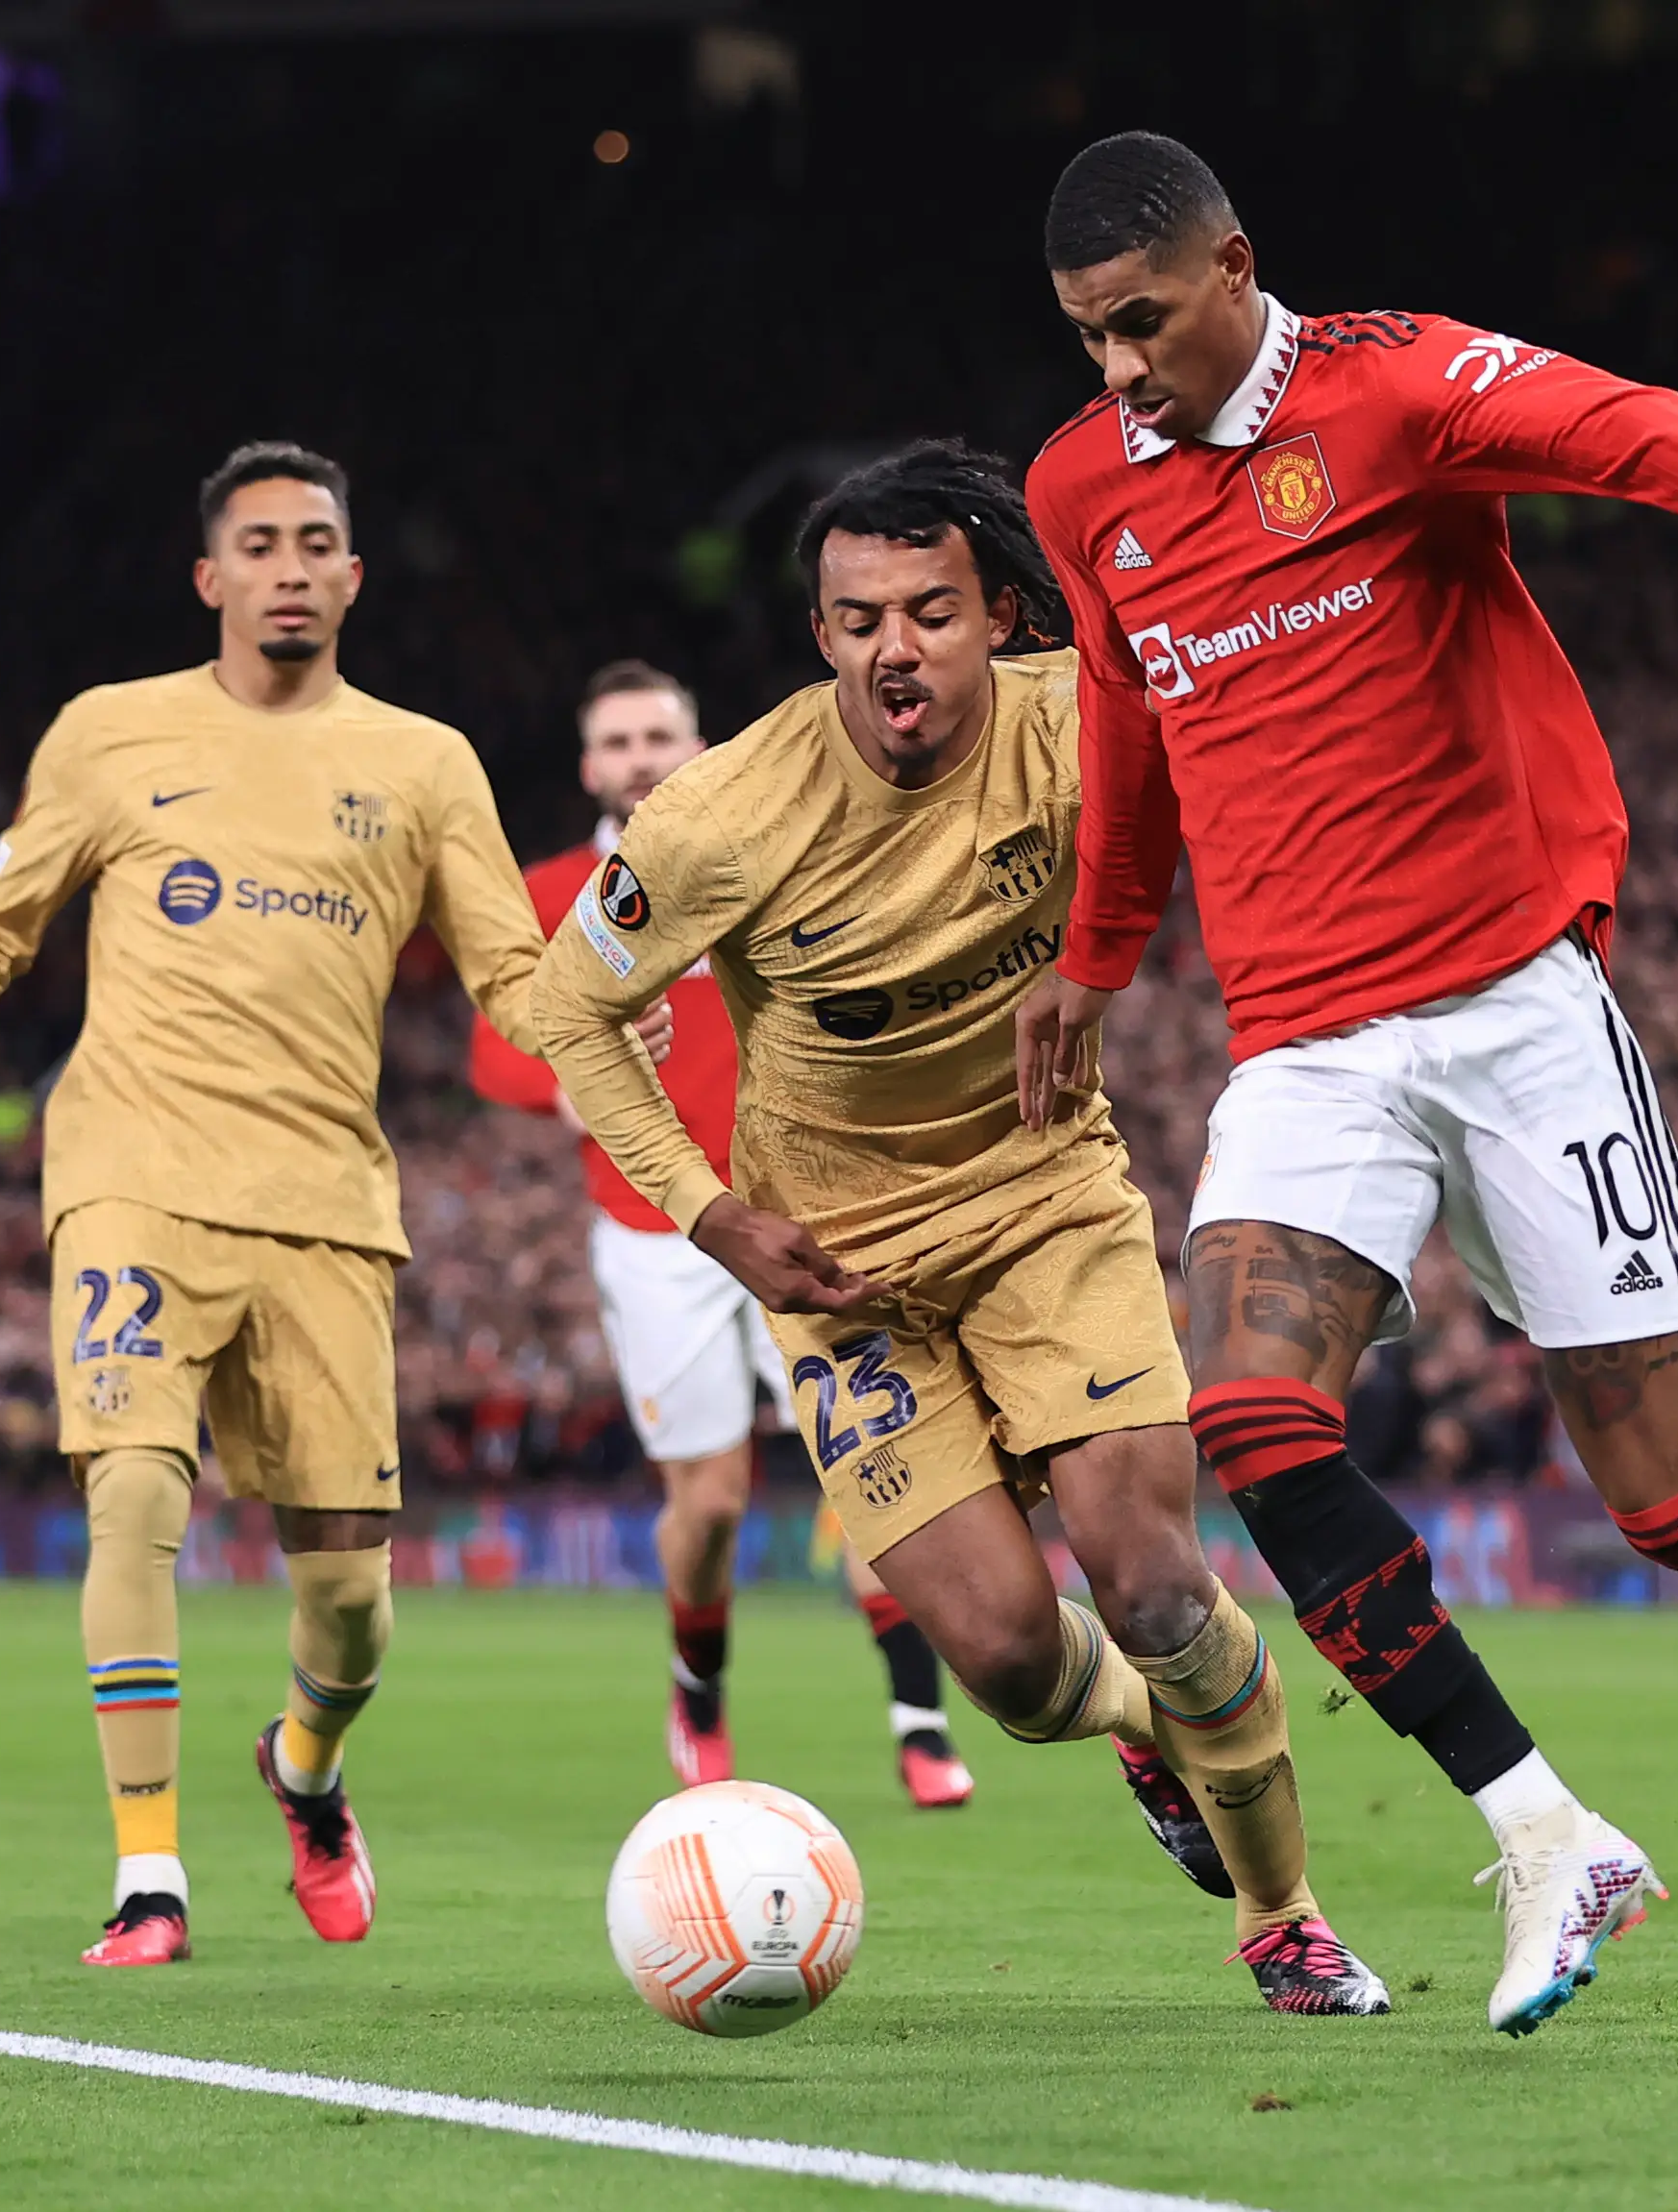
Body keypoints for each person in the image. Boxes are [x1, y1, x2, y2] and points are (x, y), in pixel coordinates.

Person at [1015, 133, 1678, 2033]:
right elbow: (1120, 722)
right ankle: (1547, 1826)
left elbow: (1606, 422)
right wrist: (1092, 956)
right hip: (1308, 1045)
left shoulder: (1386, 389)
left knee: (1663, 1502)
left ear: (1234, 264)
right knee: (1247, 1418)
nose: (1118, 370)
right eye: (1085, 337)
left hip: (1516, 1011)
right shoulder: (1083, 490)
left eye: (1142, 322)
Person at [528, 441, 1389, 2017]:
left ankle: (1285, 1916)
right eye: (856, 620)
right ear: (819, 635)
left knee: (1150, 1574)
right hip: (838, 1271)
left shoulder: (1086, 718)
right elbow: (566, 1013)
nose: (892, 649)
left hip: (1046, 1205)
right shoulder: (718, 813)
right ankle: (1143, 1724)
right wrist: (713, 1217)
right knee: (1002, 1658)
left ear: (998, 611)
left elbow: (1264, 791)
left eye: (927, 610)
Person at [0, 442, 553, 1967]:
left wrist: (650, 985)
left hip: (325, 1203)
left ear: (353, 577)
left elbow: (515, 976)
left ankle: (303, 1766)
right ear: (210, 578)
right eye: (261, 543)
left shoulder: (426, 763)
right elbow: (4, 915)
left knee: (351, 1598)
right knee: (137, 1492)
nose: (290, 566)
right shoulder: (112, 734)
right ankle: (149, 1877)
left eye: (317, 542)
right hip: (131, 1174)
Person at [469, 660, 975, 1808]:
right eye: (618, 740)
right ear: (590, 765)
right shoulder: (556, 889)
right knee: (710, 1502)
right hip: (654, 1228)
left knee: (872, 1466)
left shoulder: (760, 847)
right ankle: (697, 1677)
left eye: (661, 734)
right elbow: (491, 1046)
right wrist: (563, 1078)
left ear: (698, 745)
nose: (641, 756)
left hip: (808, 1209)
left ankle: (920, 1718)